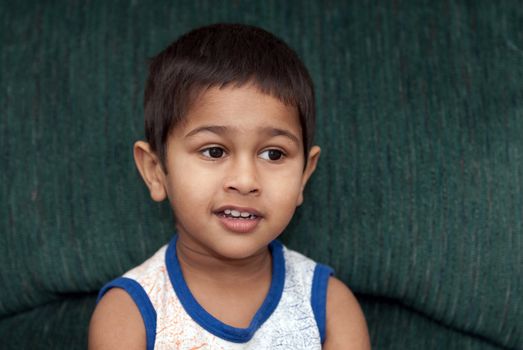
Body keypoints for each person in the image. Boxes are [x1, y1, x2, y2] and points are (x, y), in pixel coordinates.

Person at [88, 23, 370, 350]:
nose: (246, 181)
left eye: (273, 154)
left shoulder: (329, 308)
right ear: (155, 170)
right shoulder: (129, 314)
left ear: (304, 175)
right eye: (214, 151)